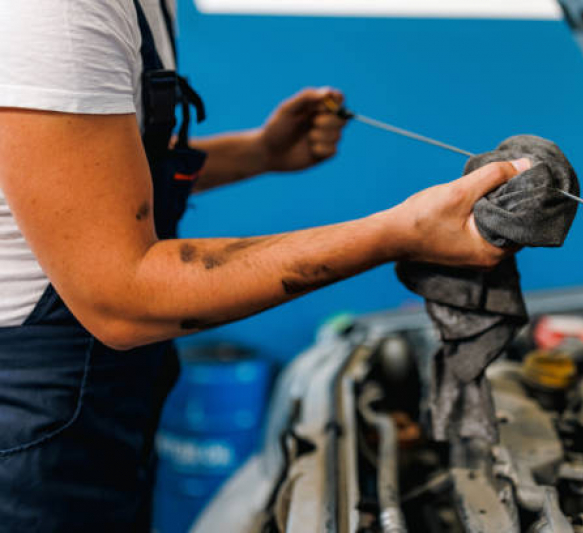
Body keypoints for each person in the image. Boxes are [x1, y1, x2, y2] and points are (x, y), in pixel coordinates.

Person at [0, 1, 531, 530]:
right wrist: (401, 232)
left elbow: (91, 176)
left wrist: (260, 151)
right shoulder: (56, 13)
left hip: (103, 415)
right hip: (31, 432)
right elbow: (122, 299)